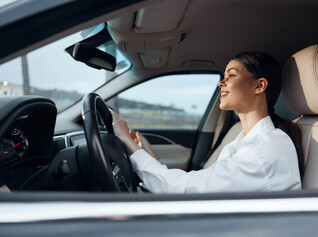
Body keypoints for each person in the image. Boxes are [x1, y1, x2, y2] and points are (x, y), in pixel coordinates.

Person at [111, 51, 303, 193]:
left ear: (259, 85)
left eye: (232, 75)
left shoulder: (266, 148)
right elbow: (199, 186)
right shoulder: (245, 139)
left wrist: (126, 141)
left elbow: (184, 190)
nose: (222, 82)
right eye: (224, 76)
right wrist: (148, 156)